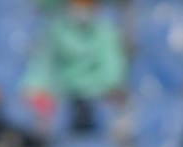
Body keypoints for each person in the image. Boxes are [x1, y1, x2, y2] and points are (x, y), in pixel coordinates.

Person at [21, 0, 127, 134]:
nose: (81, 8)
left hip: (96, 94)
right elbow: (43, 64)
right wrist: (36, 87)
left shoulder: (106, 32)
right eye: (77, 4)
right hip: (62, 94)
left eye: (86, 4)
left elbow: (113, 69)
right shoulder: (56, 30)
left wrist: (109, 87)